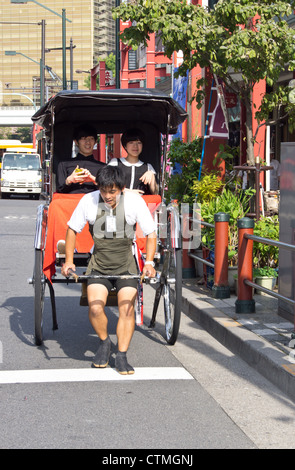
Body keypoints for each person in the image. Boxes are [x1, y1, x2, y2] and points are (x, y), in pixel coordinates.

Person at [61, 165, 157, 374]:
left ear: (121, 189)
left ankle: (121, 355)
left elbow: (151, 233)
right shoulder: (89, 201)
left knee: (126, 308)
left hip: (126, 264)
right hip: (99, 264)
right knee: (95, 307)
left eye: (112, 191)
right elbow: (72, 229)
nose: (107, 196)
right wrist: (69, 260)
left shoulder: (134, 202)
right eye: (103, 190)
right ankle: (105, 342)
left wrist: (149, 262)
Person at [56, 124, 105, 193]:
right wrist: (69, 180)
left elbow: (108, 191)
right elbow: (60, 190)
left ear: (95, 142)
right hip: (70, 202)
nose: (88, 142)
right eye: (83, 139)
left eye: (91, 139)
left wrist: (94, 180)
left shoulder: (103, 167)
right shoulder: (64, 164)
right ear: (76, 142)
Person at [108, 128, 158, 195]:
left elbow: (155, 193)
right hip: (119, 203)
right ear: (125, 146)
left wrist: (152, 176)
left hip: (140, 204)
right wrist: (128, 191)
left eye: (139, 143)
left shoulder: (147, 167)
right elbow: (107, 185)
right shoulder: (115, 163)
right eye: (131, 143)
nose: (135, 146)